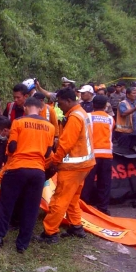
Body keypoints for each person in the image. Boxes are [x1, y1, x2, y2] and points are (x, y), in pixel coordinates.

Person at [0, 97, 55, 253]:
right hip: (38, 171)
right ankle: (22, 244)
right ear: (41, 108)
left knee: (5, 204)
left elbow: (12, 146)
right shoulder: (50, 127)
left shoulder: (18, 122)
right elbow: (49, 152)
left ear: (26, 107)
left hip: (17, 167)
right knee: (31, 208)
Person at [36, 88, 95, 244]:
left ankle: (50, 233)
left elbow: (65, 144)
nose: (59, 106)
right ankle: (76, 227)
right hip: (84, 165)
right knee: (72, 198)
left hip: (73, 167)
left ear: (68, 101)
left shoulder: (75, 117)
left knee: (59, 199)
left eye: (60, 103)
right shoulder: (82, 113)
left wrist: (54, 162)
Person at [81, 95, 114, 214]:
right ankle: (103, 209)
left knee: (87, 183)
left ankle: (84, 207)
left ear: (93, 105)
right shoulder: (110, 119)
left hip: (91, 155)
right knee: (104, 184)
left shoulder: (88, 117)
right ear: (106, 106)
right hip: (107, 155)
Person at [116, 87, 136, 152]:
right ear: (128, 95)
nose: (135, 95)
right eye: (133, 93)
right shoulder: (123, 103)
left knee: (132, 151)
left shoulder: (135, 103)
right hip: (124, 133)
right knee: (123, 151)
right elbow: (123, 113)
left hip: (134, 132)